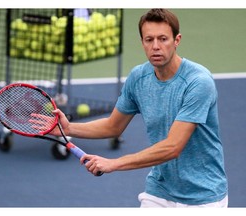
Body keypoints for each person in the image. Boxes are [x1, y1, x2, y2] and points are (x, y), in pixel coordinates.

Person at [33, 9, 228, 207]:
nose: (156, 47)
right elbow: (113, 126)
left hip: (203, 196)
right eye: (149, 39)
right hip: (160, 190)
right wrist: (68, 128)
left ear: (177, 40)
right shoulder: (138, 78)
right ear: (142, 42)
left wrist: (113, 163)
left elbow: (173, 147)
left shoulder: (198, 82)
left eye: (163, 39)